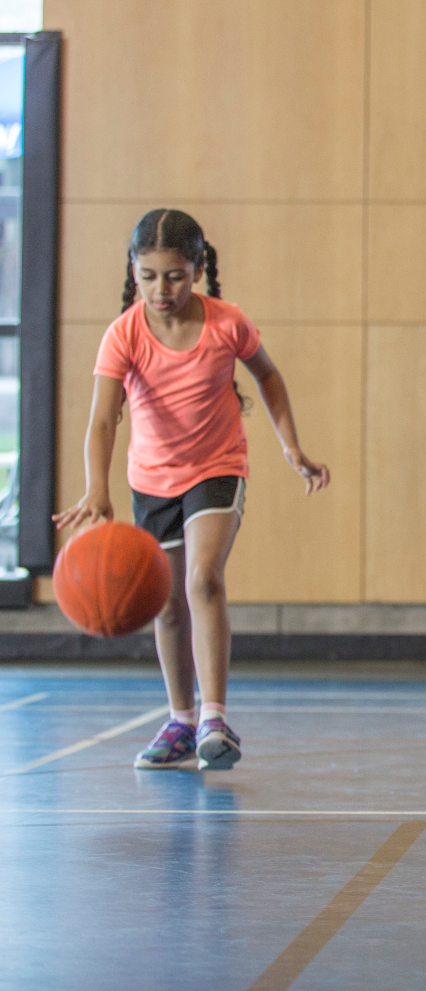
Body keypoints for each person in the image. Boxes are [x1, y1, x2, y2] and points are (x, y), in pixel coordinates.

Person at [54, 209, 330, 772]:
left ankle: (214, 717)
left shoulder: (227, 324)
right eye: (149, 275)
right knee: (166, 603)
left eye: (175, 275)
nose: (161, 288)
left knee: (203, 579)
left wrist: (290, 447)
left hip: (216, 469)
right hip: (150, 481)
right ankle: (180, 719)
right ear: (133, 271)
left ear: (198, 269)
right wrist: (95, 489)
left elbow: (268, 376)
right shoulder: (124, 334)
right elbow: (104, 421)